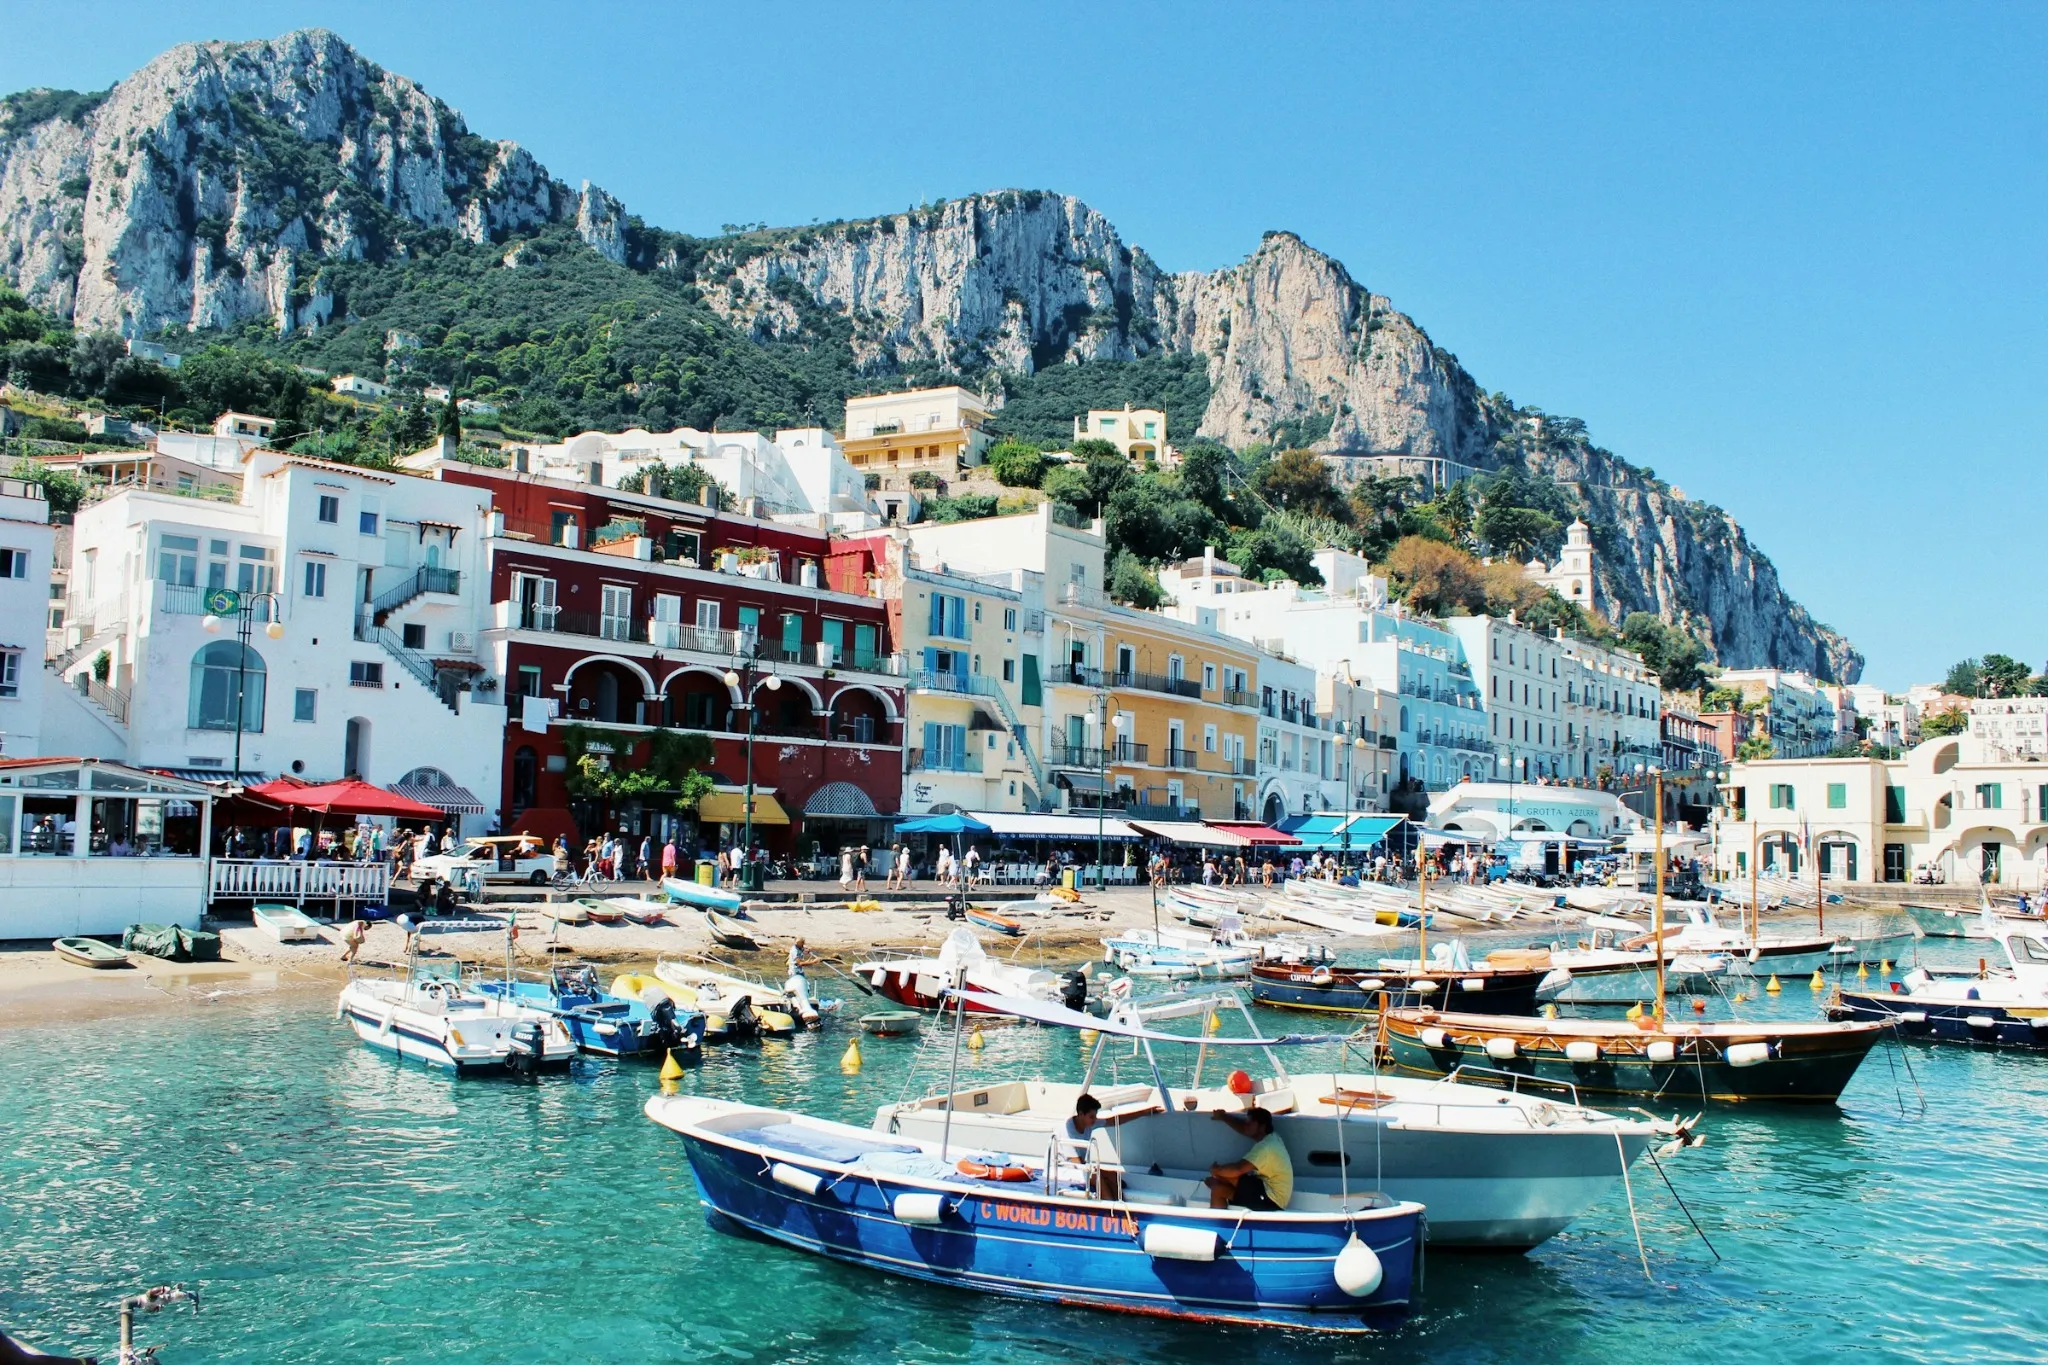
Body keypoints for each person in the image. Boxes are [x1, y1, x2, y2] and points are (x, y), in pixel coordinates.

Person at [1204, 1106, 1292, 1211]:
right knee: (1217, 1188)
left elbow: (1238, 1169)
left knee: (1226, 1176)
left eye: (1249, 1123)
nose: (1246, 1125)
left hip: (1272, 1200)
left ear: (1262, 1126)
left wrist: (1216, 1170)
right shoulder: (1272, 1137)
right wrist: (1224, 1117)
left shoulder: (1266, 1148)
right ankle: (1219, 1223)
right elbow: (1244, 1129)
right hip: (1264, 1191)